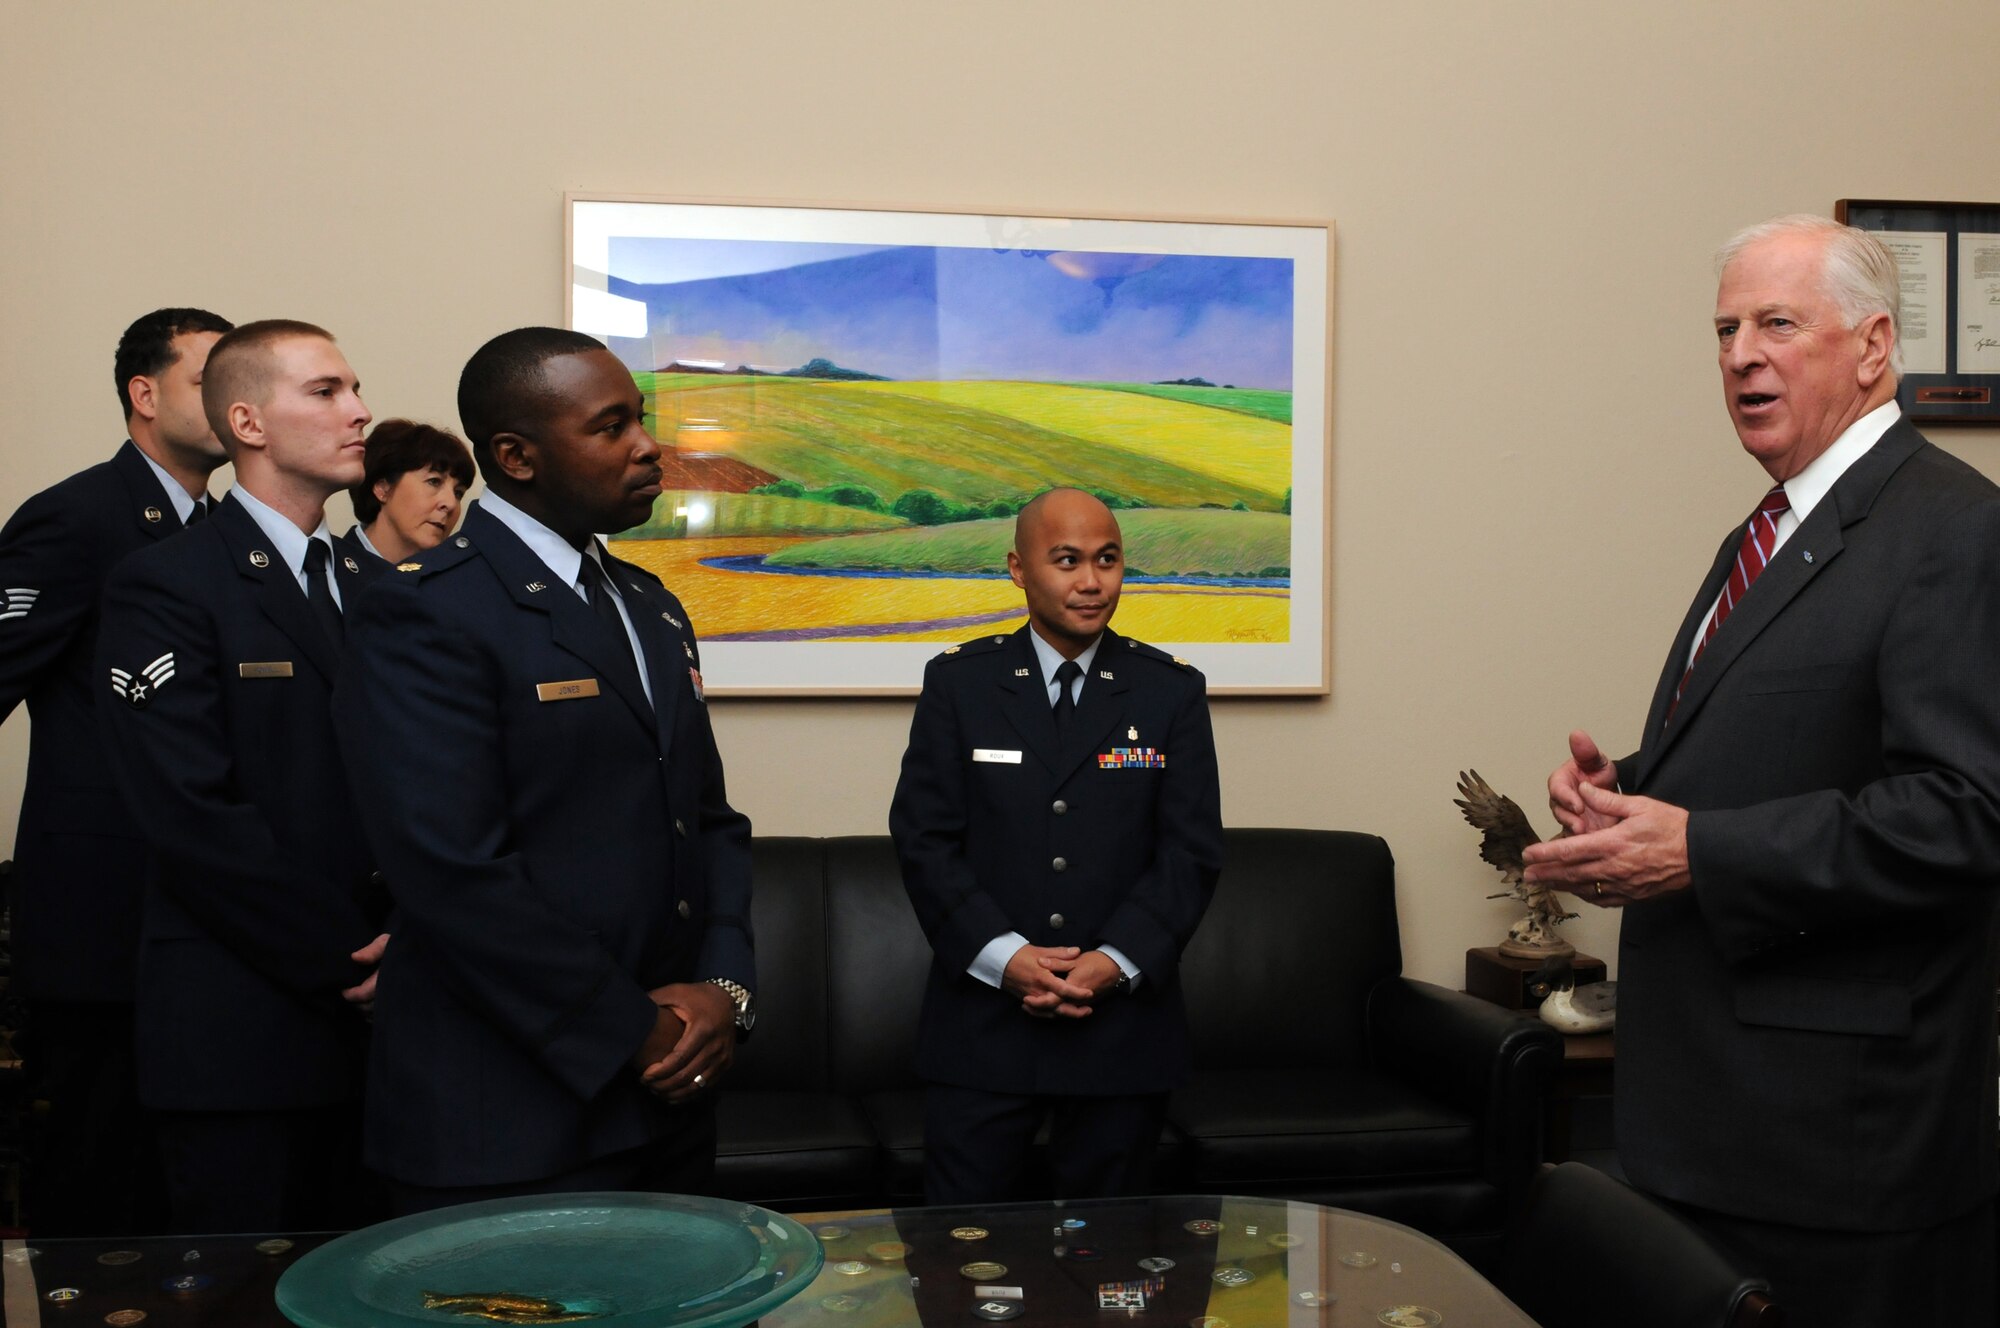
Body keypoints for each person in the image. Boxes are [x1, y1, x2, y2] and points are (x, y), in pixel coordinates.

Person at [1521, 215, 2000, 1326]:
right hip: (1712, 1126)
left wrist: (1691, 847)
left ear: (1873, 347)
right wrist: (1628, 797)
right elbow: (1799, 741)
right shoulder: (1771, 525)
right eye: (1725, 328)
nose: (1738, 353)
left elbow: (1966, 809)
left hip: (1837, 1152)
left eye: (1775, 323)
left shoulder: (1951, 530)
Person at [332, 326, 754, 1213]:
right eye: (611, 428)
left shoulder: (649, 603)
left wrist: (723, 993)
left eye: (640, 419)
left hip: (672, 1093)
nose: (648, 446)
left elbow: (709, 821)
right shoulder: (422, 611)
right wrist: (632, 1030)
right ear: (516, 457)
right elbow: (453, 870)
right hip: (511, 1113)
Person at [93, 319, 390, 1234]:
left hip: (392, 1029)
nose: (360, 411)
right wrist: (345, 956)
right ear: (249, 423)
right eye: (327, 392)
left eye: (354, 389)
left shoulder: (378, 586)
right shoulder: (168, 583)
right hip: (241, 1029)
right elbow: (191, 811)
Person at [887, 487, 1223, 1203]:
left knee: (1113, 1274)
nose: (1092, 582)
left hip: (1121, 1037)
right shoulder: (960, 685)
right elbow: (924, 840)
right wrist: (1007, 960)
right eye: (1067, 560)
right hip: (982, 1031)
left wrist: (1114, 961)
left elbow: (1189, 853)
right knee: (964, 1264)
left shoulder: (1169, 692)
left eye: (1108, 560)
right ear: (1018, 567)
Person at [0, 307, 232, 1236]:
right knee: (99, 1185)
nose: (230, 401)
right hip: (101, 915)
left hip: (200, 913)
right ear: (144, 395)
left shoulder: (222, 531)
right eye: (203, 381)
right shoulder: (80, 514)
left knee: (194, 1191)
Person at [340, 417, 474, 567]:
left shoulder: (454, 582)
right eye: (434, 481)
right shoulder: (328, 573)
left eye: (458, 493)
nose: (450, 504)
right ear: (382, 488)